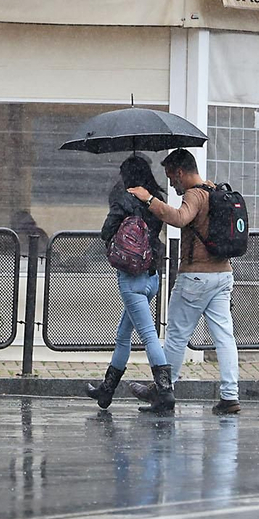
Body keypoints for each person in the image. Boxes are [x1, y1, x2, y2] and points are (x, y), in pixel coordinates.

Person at [124, 148, 241, 415]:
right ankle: (230, 395)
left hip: (196, 277)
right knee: (225, 336)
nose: (172, 184)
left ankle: (164, 390)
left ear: (179, 172)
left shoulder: (195, 194)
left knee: (176, 335)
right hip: (223, 274)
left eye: (171, 177)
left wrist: (149, 199)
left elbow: (179, 218)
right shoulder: (214, 189)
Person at [84, 155, 168, 409]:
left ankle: (165, 390)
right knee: (123, 334)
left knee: (148, 335)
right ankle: (106, 390)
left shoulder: (123, 200)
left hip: (131, 280)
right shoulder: (156, 199)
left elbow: (106, 231)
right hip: (152, 276)